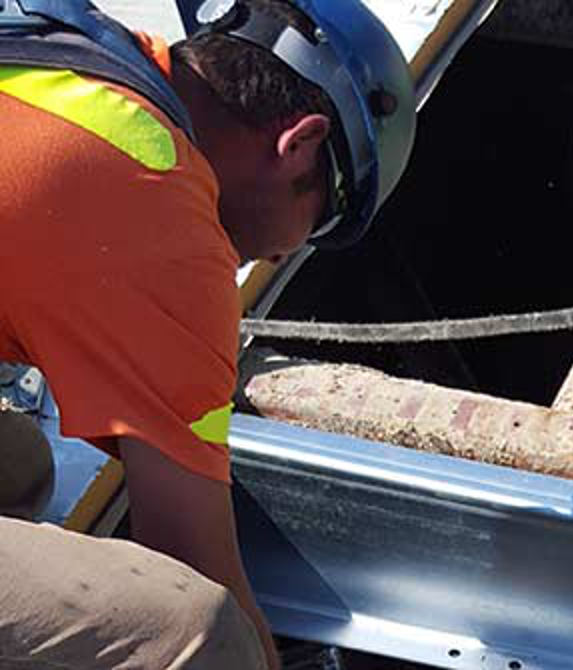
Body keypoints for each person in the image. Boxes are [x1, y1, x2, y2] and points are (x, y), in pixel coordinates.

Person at [0, 0, 415, 666]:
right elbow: (192, 558)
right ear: (301, 143)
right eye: (320, 222)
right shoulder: (162, 219)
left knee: (17, 468)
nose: (283, 254)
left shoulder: (73, 60)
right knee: (197, 634)